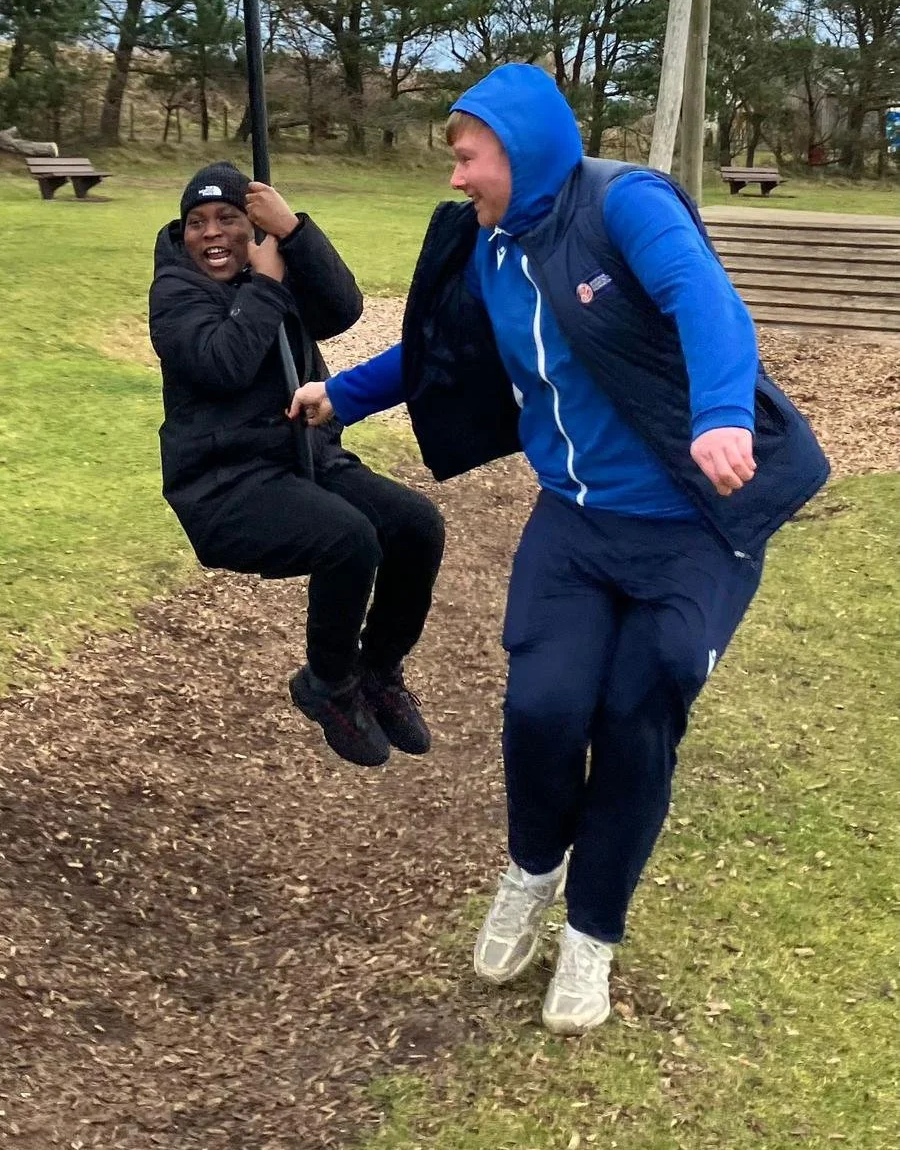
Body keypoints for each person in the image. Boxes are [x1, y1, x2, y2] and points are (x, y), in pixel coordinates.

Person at [289, 66, 829, 1035]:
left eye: (467, 156)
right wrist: (346, 394)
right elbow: (441, 353)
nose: (457, 178)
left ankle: (592, 935)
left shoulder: (626, 206)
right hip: (576, 523)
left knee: (638, 712)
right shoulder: (494, 254)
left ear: (520, 147)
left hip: (692, 528)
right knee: (543, 705)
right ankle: (534, 870)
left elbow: (706, 300)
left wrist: (719, 417)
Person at [148, 161, 445, 770]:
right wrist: (265, 285)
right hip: (223, 485)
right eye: (197, 222)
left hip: (308, 458)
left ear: (250, 226)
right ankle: (328, 684)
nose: (211, 234)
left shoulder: (273, 261)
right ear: (182, 234)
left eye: (229, 219)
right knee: (349, 538)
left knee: (417, 526)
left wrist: (296, 231)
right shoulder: (175, 291)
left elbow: (341, 309)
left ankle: (377, 670)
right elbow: (222, 364)